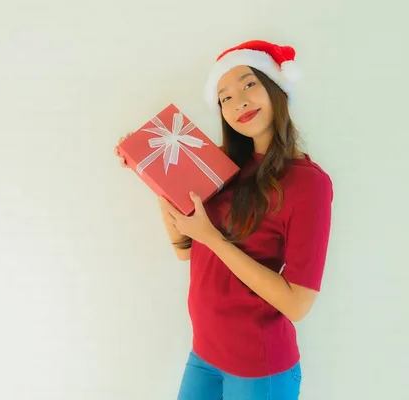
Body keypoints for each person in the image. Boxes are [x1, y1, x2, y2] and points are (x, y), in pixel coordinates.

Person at [114, 40, 333, 399]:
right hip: (204, 352)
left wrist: (213, 238)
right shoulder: (221, 167)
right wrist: (153, 174)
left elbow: (297, 304)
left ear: (276, 88)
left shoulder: (309, 183)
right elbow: (185, 248)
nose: (239, 102)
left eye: (249, 84)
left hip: (259, 368)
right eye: (224, 98)